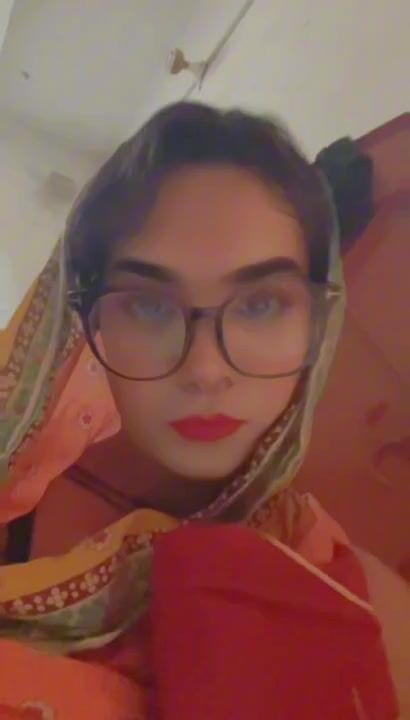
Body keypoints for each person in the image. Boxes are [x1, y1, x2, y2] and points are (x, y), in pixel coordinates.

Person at [0, 103, 407, 719]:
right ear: (85, 317)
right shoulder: (35, 466)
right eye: (150, 305)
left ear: (319, 323)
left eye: (261, 304)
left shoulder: (346, 593)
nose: (206, 369)